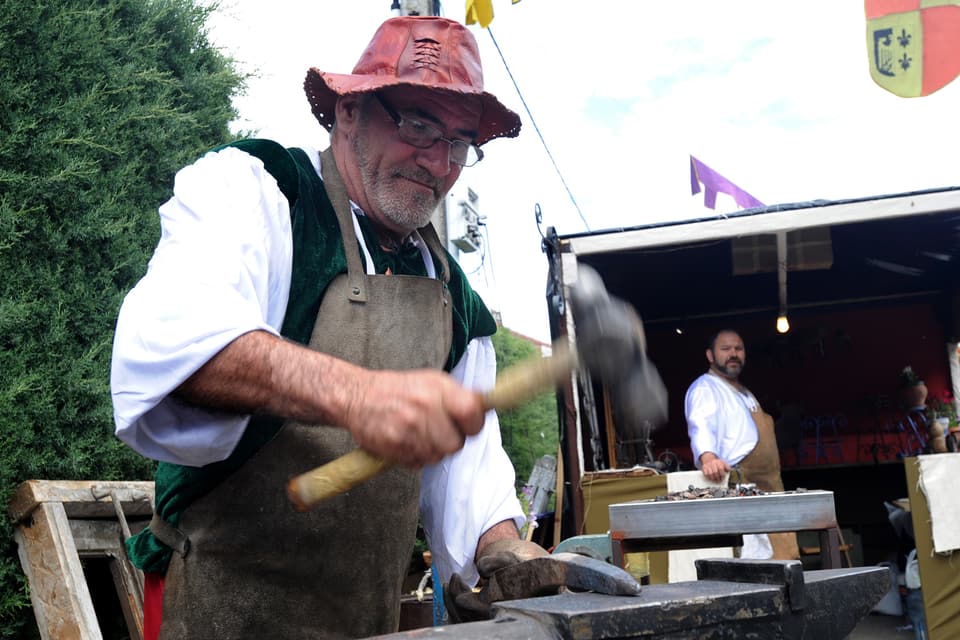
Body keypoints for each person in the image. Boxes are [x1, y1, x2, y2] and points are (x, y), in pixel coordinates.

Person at [110, 16, 548, 639]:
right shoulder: (260, 191)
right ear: (350, 112)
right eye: (418, 122)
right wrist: (360, 394)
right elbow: (174, 343)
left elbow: (467, 468)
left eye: (459, 142)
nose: (437, 162)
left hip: (362, 620)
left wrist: (505, 549)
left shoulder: (456, 298)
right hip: (216, 603)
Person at [684, 329, 800, 560]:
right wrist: (708, 458)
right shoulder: (705, 388)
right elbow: (700, 423)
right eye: (725, 349)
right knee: (759, 565)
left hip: (769, 492)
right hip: (743, 492)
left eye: (738, 349)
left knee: (786, 561)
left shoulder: (744, 393)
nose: (733, 354)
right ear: (710, 355)